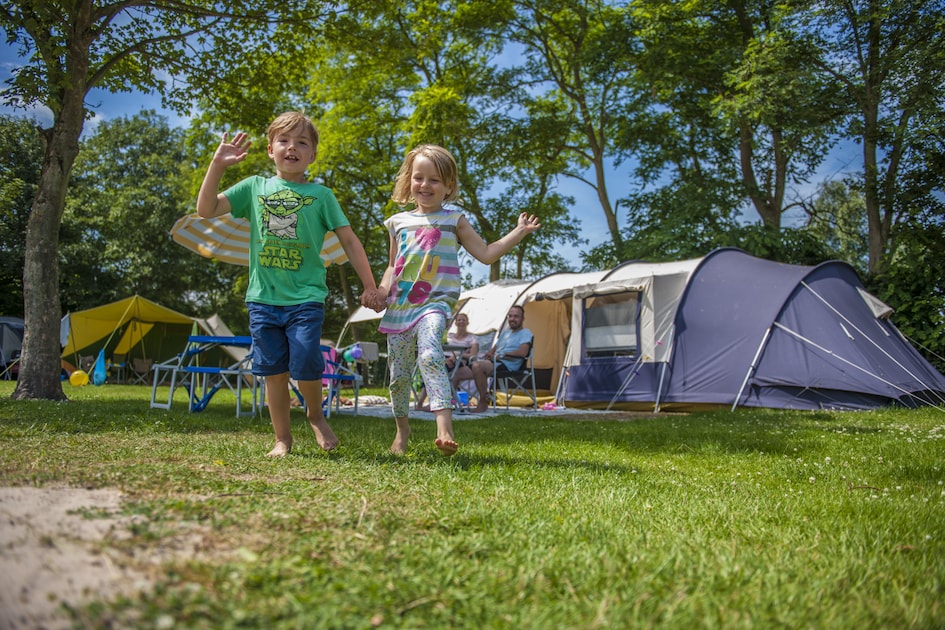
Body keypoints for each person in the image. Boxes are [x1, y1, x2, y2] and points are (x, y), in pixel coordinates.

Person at [196, 111, 382, 457]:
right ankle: (282, 439)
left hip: (306, 298)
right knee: (273, 372)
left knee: (307, 361)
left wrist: (370, 286)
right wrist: (217, 165)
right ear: (270, 149)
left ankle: (315, 415)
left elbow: (351, 241)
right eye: (284, 140)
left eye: (302, 142)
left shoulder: (321, 195)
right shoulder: (255, 187)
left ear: (312, 155)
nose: (292, 147)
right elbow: (206, 209)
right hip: (263, 299)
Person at [364, 144, 540, 456]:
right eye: (419, 178)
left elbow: (486, 254)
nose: (425, 185)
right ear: (409, 181)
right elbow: (393, 266)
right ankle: (401, 431)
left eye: (434, 180)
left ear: (448, 186)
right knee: (398, 377)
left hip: (435, 303)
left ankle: (444, 428)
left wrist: (518, 232)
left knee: (431, 354)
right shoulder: (397, 223)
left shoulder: (454, 219)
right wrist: (380, 291)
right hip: (401, 307)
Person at [460, 304, 532, 413]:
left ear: (522, 319)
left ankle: (483, 401)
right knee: (458, 371)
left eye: (516, 316)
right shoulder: (505, 333)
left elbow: (523, 352)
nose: (512, 319)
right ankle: (449, 404)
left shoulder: (525, 333)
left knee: (477, 366)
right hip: (494, 362)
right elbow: (493, 349)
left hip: (508, 364)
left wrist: (502, 355)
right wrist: (489, 353)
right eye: (510, 316)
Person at [414, 312, 479, 411]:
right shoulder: (450, 336)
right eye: (459, 320)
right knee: (430, 369)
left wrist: (457, 355)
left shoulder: (472, 338)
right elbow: (440, 349)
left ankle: (436, 403)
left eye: (463, 320)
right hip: (444, 358)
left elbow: (473, 355)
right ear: (455, 323)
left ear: (467, 322)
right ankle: (420, 403)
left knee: (439, 371)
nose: (461, 322)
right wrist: (444, 358)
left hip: (459, 360)